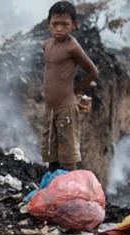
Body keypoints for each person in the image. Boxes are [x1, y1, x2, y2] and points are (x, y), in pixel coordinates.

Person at [42, 1, 99, 171]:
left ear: (74, 25)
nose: (59, 28)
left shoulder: (72, 47)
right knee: (51, 150)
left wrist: (74, 92)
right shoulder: (46, 45)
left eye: (65, 24)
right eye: (55, 24)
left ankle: (69, 190)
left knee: (67, 154)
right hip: (49, 108)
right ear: (48, 24)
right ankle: (54, 187)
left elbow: (92, 71)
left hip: (66, 108)